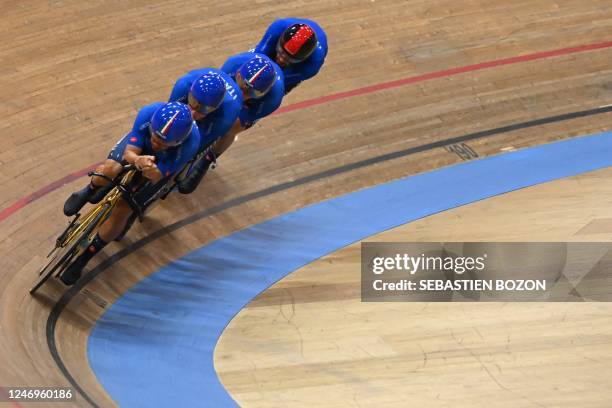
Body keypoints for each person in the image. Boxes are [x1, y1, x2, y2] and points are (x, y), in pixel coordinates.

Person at [59, 102, 200, 286]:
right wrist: (138, 159)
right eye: (155, 136)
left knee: (124, 208)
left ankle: (84, 258)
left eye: (162, 142)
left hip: (162, 163)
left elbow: (157, 175)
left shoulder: (190, 144)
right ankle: (89, 191)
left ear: (178, 141)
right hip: (139, 150)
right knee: (111, 168)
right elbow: (130, 153)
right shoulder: (148, 113)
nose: (156, 143)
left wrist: (149, 169)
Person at [177, 53, 285, 192]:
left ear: (263, 92)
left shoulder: (272, 99)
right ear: (238, 74)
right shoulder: (233, 64)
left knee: (231, 127)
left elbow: (239, 116)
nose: (242, 94)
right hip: (231, 90)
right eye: (242, 87)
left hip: (252, 106)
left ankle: (208, 159)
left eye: (250, 92)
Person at [168, 70, 242, 194]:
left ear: (215, 108)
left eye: (202, 110)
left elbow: (197, 143)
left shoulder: (225, 116)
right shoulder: (183, 85)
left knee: (193, 149)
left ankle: (204, 162)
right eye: (192, 103)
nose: (193, 113)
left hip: (218, 117)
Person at [253, 18, 328, 94]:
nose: (281, 59)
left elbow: (279, 79)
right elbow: (258, 55)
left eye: (289, 58)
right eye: (281, 52)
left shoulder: (313, 64)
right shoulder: (278, 27)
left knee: (273, 88)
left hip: (297, 67)